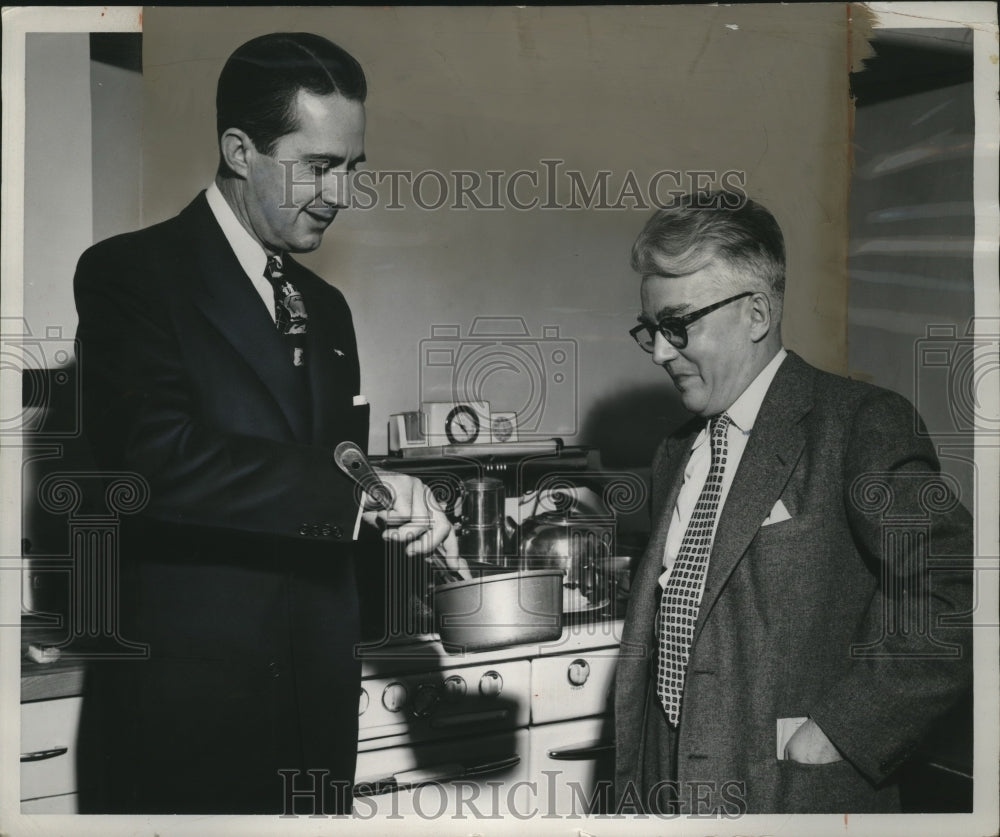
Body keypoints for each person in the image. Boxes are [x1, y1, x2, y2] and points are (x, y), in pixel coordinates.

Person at [73, 32, 457, 815]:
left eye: (352, 166)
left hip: (318, 710)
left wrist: (411, 545)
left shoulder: (327, 307)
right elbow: (151, 460)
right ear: (240, 151)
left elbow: (331, 481)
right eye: (318, 165)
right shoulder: (129, 275)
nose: (340, 192)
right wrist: (355, 495)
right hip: (189, 722)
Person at [613, 191, 973, 814]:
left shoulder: (860, 425)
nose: (662, 352)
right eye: (652, 330)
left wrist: (841, 731)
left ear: (756, 313)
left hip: (788, 793)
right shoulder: (675, 452)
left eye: (678, 325)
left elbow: (955, 590)